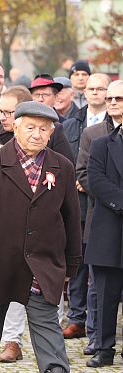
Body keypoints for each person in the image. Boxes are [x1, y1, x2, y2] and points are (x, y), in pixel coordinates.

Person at [0, 101, 82, 373]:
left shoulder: (62, 167)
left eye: (44, 129)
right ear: (15, 126)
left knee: (46, 321)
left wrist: (71, 264)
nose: (36, 134)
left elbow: (71, 216)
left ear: (52, 132)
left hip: (43, 259)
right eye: (30, 127)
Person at [0, 85, 74, 364]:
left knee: (46, 302)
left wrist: (70, 260)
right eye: (1, 111)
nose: (3, 117)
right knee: (11, 299)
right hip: (9, 242)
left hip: (45, 243)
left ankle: (56, 369)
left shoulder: (56, 154)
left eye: (8, 111)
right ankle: (10, 342)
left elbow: (68, 208)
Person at [61, 73, 111, 341]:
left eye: (101, 89)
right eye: (91, 88)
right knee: (77, 265)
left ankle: (98, 326)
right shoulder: (74, 124)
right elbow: (75, 165)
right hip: (78, 203)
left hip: (100, 206)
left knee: (97, 270)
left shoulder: (112, 126)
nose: (95, 93)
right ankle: (78, 318)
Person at [75, 80, 122, 357]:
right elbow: (94, 179)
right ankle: (103, 347)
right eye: (111, 97)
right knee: (103, 292)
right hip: (107, 225)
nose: (113, 102)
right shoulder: (100, 141)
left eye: (120, 98)